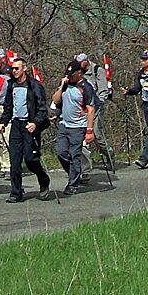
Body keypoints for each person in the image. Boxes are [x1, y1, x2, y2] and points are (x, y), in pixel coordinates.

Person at [0, 53, 52, 202]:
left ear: (24, 69)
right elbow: (8, 107)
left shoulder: (34, 85)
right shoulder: (11, 85)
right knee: (15, 160)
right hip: (16, 125)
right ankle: (16, 192)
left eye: (16, 69)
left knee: (30, 158)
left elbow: (42, 108)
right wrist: (3, 122)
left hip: (30, 125)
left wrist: (35, 123)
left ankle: (43, 180)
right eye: (12, 69)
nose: (14, 71)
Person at [52, 60, 98, 195]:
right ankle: (74, 172)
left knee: (74, 154)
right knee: (61, 152)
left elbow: (90, 110)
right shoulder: (66, 85)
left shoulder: (85, 87)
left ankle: (73, 183)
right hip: (64, 124)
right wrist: (61, 86)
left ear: (79, 73)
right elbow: (56, 100)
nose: (69, 77)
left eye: (72, 75)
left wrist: (89, 131)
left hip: (78, 126)